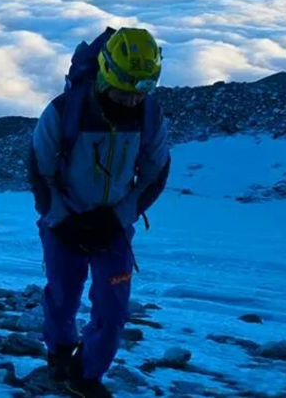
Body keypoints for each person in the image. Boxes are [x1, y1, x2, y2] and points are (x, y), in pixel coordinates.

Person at [29, 28, 170, 398]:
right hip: (64, 224)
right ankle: (59, 351)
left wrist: (117, 218)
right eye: (126, 88)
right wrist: (64, 220)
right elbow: (40, 171)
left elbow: (155, 173)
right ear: (107, 71)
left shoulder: (150, 117)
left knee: (113, 309)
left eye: (142, 90)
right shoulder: (63, 111)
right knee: (63, 296)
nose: (132, 99)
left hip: (113, 229)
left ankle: (86, 375)